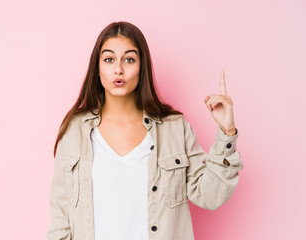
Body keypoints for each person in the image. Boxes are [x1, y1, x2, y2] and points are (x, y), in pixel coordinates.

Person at [46, 21, 243, 240]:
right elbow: (60, 219)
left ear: (142, 68)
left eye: (129, 59)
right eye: (109, 59)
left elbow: (210, 195)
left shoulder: (174, 128)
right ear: (97, 68)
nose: (118, 69)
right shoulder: (75, 131)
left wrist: (227, 132)